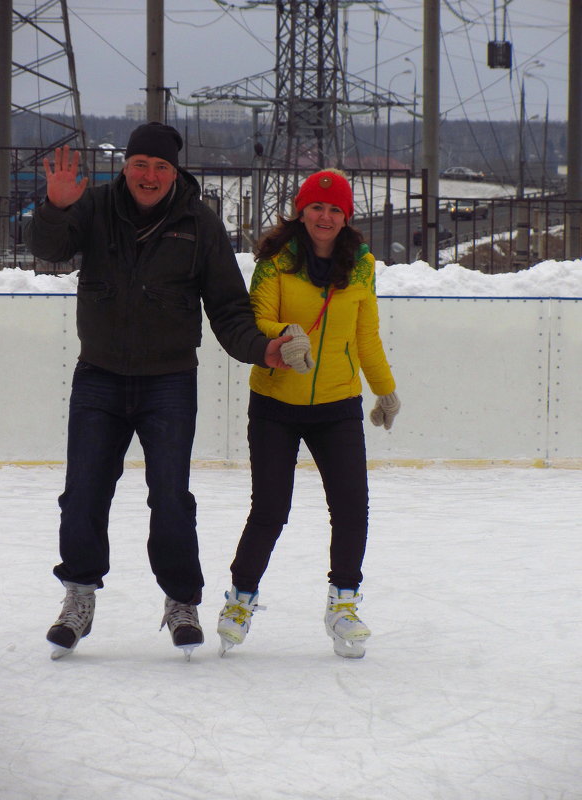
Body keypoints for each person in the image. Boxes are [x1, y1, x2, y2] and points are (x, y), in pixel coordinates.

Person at [24, 122, 293, 661]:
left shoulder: (199, 225)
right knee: (83, 493)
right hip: (99, 375)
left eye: (162, 167)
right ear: (127, 165)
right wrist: (54, 207)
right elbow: (50, 249)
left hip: (168, 381)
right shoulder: (94, 207)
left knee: (170, 496)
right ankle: (79, 595)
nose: (150, 176)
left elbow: (228, 308)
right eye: (142, 164)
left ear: (176, 172)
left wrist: (261, 348)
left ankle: (180, 601)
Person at [216, 168, 401, 659]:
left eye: (335, 209)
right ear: (301, 210)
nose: (325, 216)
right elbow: (259, 318)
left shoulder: (361, 265)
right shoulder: (276, 259)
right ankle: (241, 598)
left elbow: (366, 335)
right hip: (276, 402)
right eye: (317, 207)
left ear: (346, 217)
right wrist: (288, 334)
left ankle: (343, 604)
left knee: (351, 506)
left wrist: (384, 391)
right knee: (271, 508)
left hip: (338, 404)